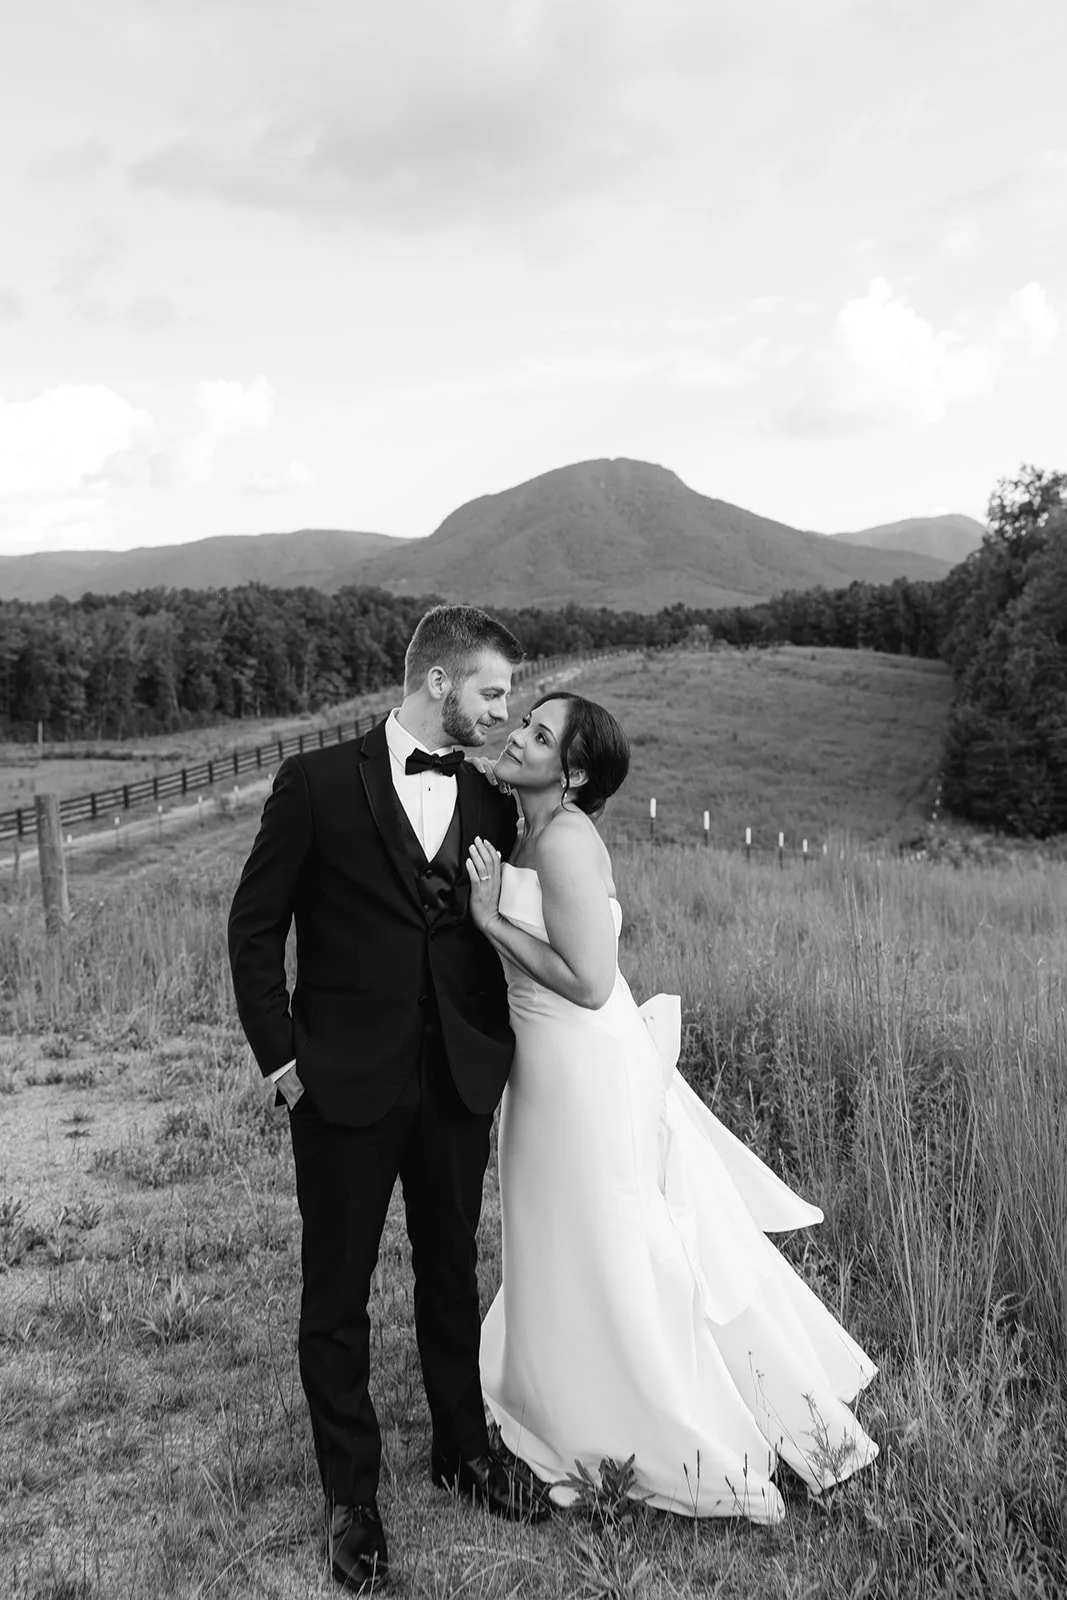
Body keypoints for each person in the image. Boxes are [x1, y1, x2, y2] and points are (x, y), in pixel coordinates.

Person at [465, 692, 878, 1522]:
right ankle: (565, 1388)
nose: (519, 736)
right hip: (546, 1066)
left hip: (583, 1066)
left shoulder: (568, 841)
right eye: (524, 723)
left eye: (538, 735)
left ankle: (655, 1414)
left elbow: (585, 982)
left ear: (573, 773)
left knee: (609, 1234)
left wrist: (487, 920)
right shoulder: (531, 826)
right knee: (558, 1229)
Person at [227, 605, 547, 1595]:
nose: (503, 711)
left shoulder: (493, 800)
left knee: (450, 1268)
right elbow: (254, 925)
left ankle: (463, 1449)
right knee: (337, 1292)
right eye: (492, 691)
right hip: (342, 1080)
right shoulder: (317, 782)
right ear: (439, 680)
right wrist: (281, 1059)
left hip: (454, 1070)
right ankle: (351, 1498)